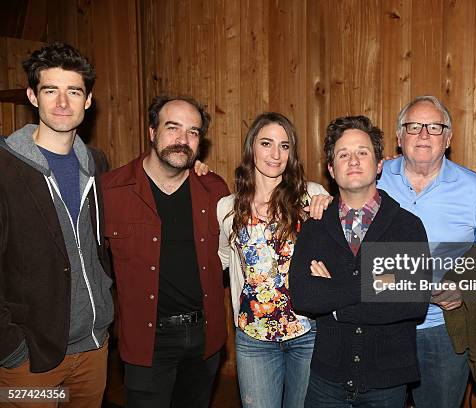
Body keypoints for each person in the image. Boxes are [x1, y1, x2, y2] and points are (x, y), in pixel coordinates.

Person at [0, 42, 114, 407]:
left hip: (94, 351)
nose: (62, 102)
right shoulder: (4, 168)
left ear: (88, 99)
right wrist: (12, 350)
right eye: (51, 90)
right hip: (31, 361)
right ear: (33, 96)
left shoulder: (96, 164)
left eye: (73, 91)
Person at [289, 115, 431, 407]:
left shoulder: (407, 226)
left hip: (387, 378)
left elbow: (413, 302)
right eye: (343, 154)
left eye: (362, 152)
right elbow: (303, 296)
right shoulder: (315, 227)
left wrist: (335, 298)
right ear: (331, 169)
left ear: (379, 164)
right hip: (327, 377)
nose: (352, 160)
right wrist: (376, 283)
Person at [102, 95, 229, 408]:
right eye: (173, 128)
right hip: (147, 341)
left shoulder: (215, 190)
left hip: (205, 339)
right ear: (151, 132)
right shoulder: (111, 191)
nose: (182, 140)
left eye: (193, 132)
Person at [377, 96, 476, 407]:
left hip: (442, 328)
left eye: (435, 127)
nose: (424, 134)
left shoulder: (474, 188)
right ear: (399, 137)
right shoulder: (373, 179)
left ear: (449, 137)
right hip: (382, 324)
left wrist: (463, 285)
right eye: (413, 127)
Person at [216, 112, 327, 408]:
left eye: (285, 145)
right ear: (252, 147)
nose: (276, 154)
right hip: (253, 338)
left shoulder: (312, 196)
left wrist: (332, 206)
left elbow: (339, 251)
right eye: (267, 143)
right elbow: (222, 260)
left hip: (307, 332)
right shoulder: (227, 208)